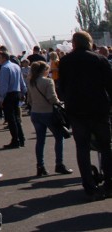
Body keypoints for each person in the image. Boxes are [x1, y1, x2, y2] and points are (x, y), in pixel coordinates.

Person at [58, 30, 112, 201]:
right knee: (105, 147)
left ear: (73, 43)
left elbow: (62, 87)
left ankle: (89, 185)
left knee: (82, 148)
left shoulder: (65, 61)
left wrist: (68, 101)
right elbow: (110, 85)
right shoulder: (99, 59)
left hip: (77, 111)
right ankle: (109, 182)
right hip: (99, 109)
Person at [24, 61, 71, 177]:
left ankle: (40, 166)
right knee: (59, 137)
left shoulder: (31, 82)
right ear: (43, 70)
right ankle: (59, 164)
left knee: (40, 140)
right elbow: (52, 98)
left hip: (35, 112)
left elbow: (29, 100)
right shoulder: (48, 81)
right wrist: (60, 103)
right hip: (48, 112)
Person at [0, 49, 27, 149]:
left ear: (3, 58)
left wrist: (1, 98)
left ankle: (15, 140)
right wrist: (23, 91)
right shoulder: (16, 66)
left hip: (9, 94)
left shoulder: (5, 68)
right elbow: (21, 81)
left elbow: (4, 85)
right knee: (16, 117)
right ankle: (21, 138)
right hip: (17, 92)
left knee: (11, 118)